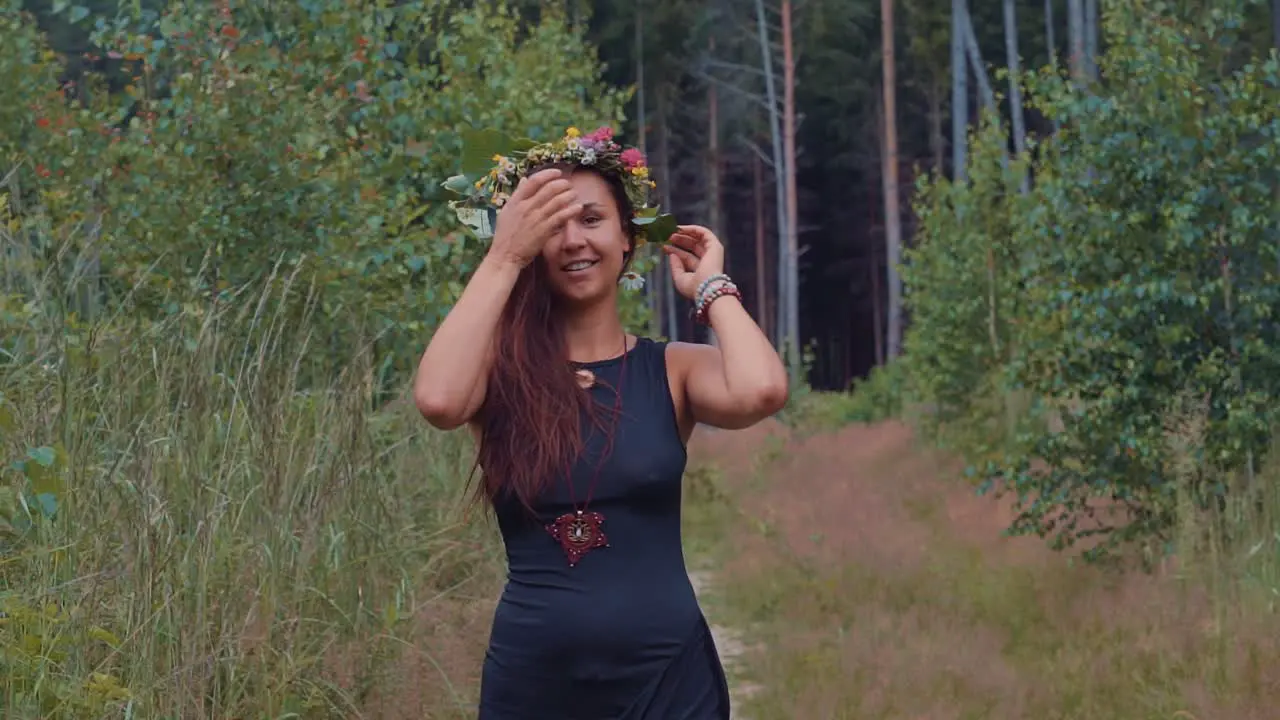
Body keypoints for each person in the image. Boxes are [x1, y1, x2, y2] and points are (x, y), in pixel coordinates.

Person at [413, 126, 788, 720]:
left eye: (591, 219)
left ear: (627, 241)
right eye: (552, 224)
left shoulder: (672, 370)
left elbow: (762, 389)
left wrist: (711, 287)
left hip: (668, 680)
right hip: (534, 683)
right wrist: (504, 255)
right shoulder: (498, 376)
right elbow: (436, 401)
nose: (572, 240)